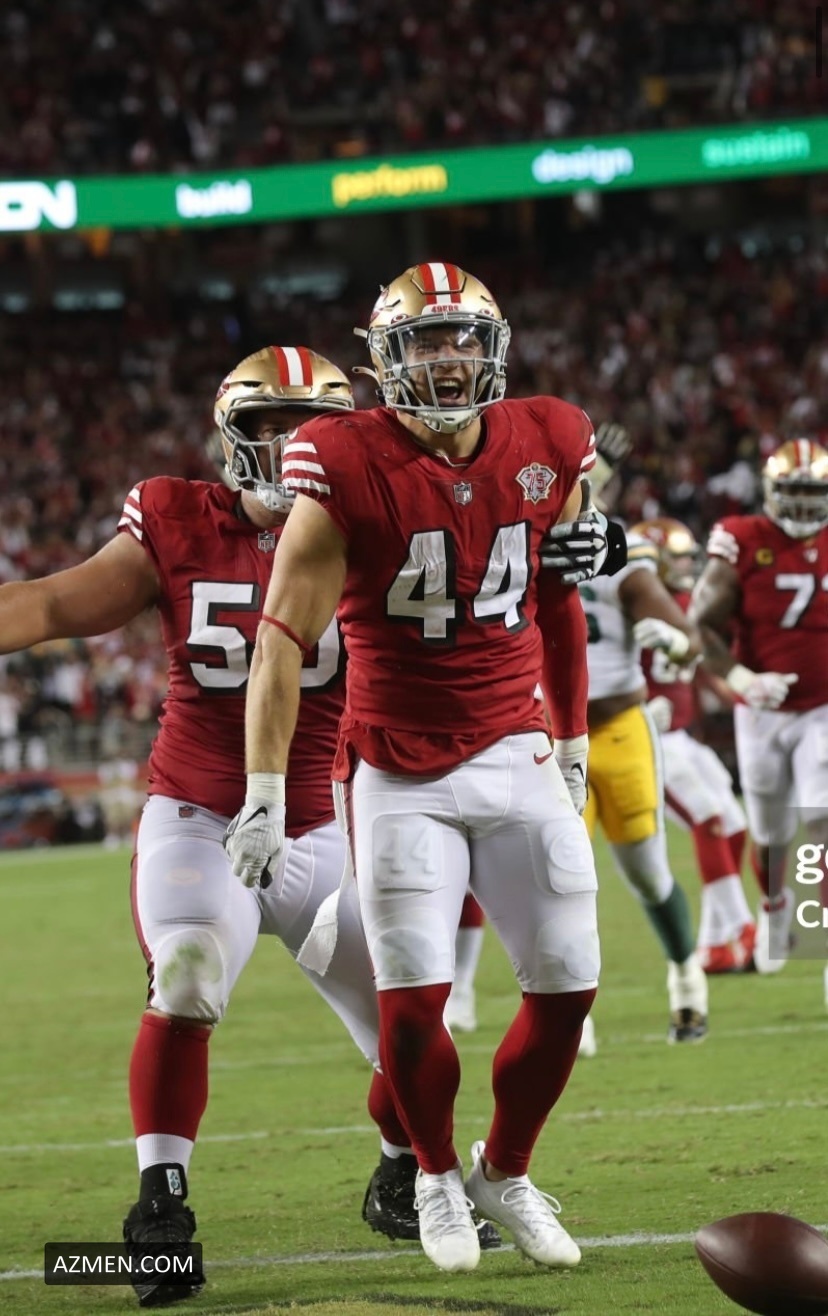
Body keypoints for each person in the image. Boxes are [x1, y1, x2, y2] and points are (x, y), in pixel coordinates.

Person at [0, 345, 479, 1310]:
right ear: (232, 435)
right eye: (271, 426)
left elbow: (488, 586)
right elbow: (52, 601)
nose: (292, 445)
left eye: (311, 427)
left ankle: (399, 1172)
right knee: (187, 976)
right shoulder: (177, 518)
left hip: (328, 822)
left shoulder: (383, 518)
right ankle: (160, 1210)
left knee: (413, 1027)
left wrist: (578, 542)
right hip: (202, 815)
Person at [225, 261, 603, 1275]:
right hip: (397, 764)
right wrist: (264, 791)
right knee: (412, 993)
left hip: (517, 744)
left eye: (459, 337)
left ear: (493, 349)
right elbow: (281, 636)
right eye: (422, 340)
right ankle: (432, 1174)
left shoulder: (552, 436)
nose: (444, 359)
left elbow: (563, 591)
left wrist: (572, 740)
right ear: (384, 359)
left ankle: (503, 1170)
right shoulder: (342, 455)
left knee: (570, 985)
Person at [691, 439, 828, 985]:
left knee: (821, 820)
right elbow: (701, 624)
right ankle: (775, 907)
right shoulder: (743, 539)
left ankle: (821, 945)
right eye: (794, 492)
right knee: (772, 834)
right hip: (762, 710)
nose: (804, 505)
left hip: (823, 705)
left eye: (813, 493)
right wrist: (743, 680)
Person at [577, 526, 710, 1048]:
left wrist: (675, 643)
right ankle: (567, 1013)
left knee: (648, 876)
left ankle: (686, 977)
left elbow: (688, 638)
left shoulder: (618, 555)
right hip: (549, 737)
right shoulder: (514, 542)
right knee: (562, 881)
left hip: (620, 731)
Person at [633, 518, 755, 975]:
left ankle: (714, 944)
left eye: (688, 558)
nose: (687, 566)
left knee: (735, 823)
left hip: (682, 737)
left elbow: (701, 664)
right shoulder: (630, 603)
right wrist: (636, 709)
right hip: (648, 739)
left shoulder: (684, 604)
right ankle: (742, 926)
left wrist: (741, 694)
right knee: (708, 818)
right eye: (678, 558)